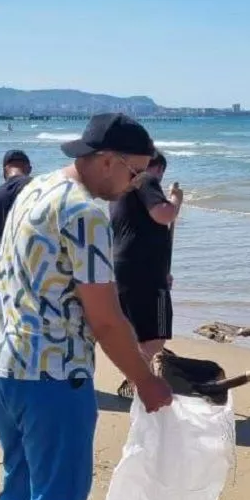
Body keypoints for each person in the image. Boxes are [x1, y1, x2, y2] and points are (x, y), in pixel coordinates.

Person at [0, 112, 174, 500]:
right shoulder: (86, 213)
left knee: (19, 481)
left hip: (3, 362)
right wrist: (146, 381)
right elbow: (105, 318)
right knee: (57, 494)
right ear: (107, 161)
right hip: (53, 373)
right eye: (135, 173)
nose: (137, 184)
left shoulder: (33, 189)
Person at [109, 151, 182, 394]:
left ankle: (139, 377)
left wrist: (162, 269)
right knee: (156, 334)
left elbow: (138, 230)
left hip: (124, 268)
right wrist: (175, 201)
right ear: (158, 168)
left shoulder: (120, 191)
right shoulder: (145, 179)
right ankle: (139, 379)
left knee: (138, 331)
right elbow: (164, 214)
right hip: (145, 271)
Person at [0, 149, 33, 254]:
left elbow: (0, 231)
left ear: (4, 170)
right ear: (29, 169)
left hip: (6, 258)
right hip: (34, 256)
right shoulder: (37, 187)